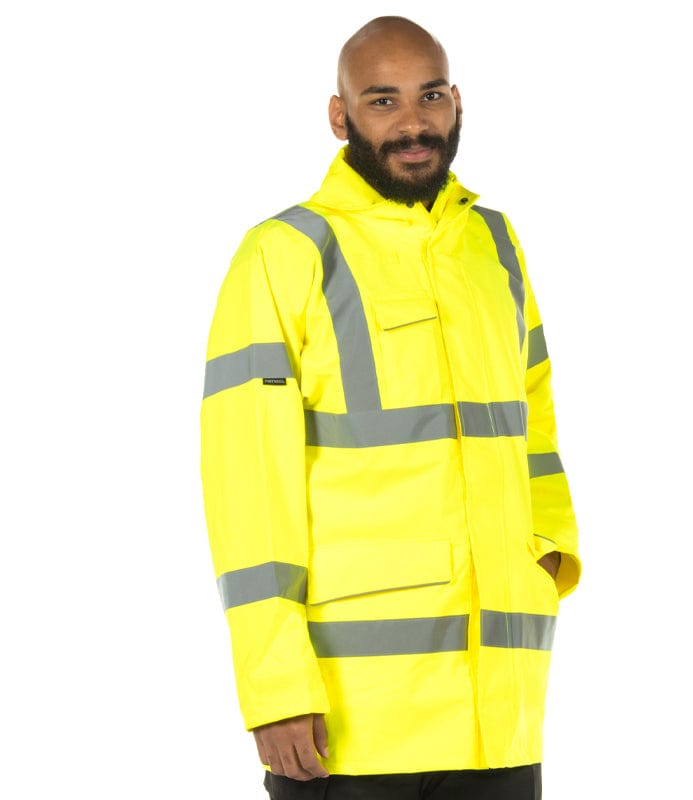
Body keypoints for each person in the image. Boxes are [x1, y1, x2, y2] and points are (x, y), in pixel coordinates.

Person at [200, 15, 580, 799]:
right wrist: (275, 687)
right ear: (339, 116)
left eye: (430, 96)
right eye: (383, 101)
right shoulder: (286, 253)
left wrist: (547, 554)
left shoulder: (494, 244)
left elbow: (533, 419)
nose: (413, 122)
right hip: (352, 729)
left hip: (501, 715)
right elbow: (249, 486)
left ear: (457, 102)